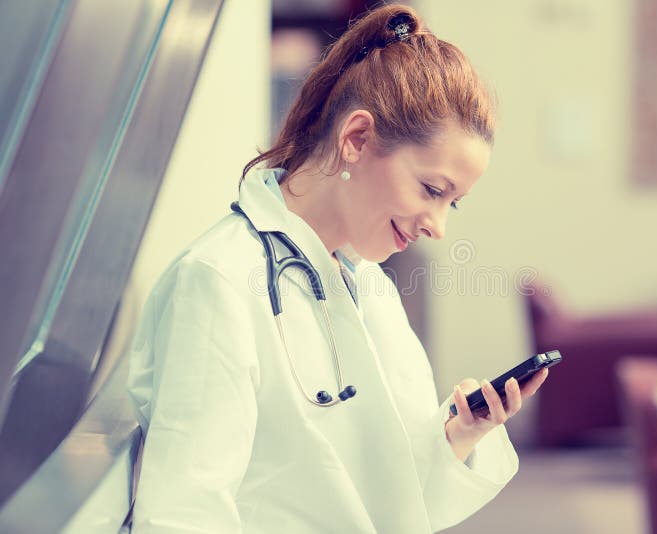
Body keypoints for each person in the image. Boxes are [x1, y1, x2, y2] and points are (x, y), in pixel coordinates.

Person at [127, 5, 548, 533]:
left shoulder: (368, 284)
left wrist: (458, 433)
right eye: (432, 190)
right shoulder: (217, 281)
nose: (438, 226)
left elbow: (389, 494)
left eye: (452, 203)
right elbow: (182, 515)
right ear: (356, 139)